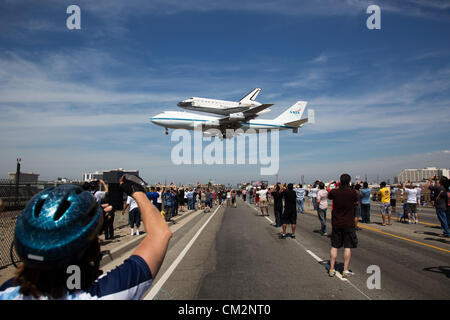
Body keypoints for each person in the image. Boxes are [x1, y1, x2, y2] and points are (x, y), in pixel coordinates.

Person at [0, 175, 172, 300]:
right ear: (91, 250)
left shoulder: (6, 290)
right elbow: (160, 234)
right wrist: (138, 192)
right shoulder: (106, 292)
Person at [327, 173, 358, 278]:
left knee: (334, 246)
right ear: (349, 182)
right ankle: (345, 270)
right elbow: (358, 197)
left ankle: (331, 269)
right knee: (347, 247)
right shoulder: (353, 192)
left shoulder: (335, 192)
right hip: (349, 223)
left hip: (337, 222)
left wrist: (331, 184)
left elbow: (329, 195)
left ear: (340, 181)